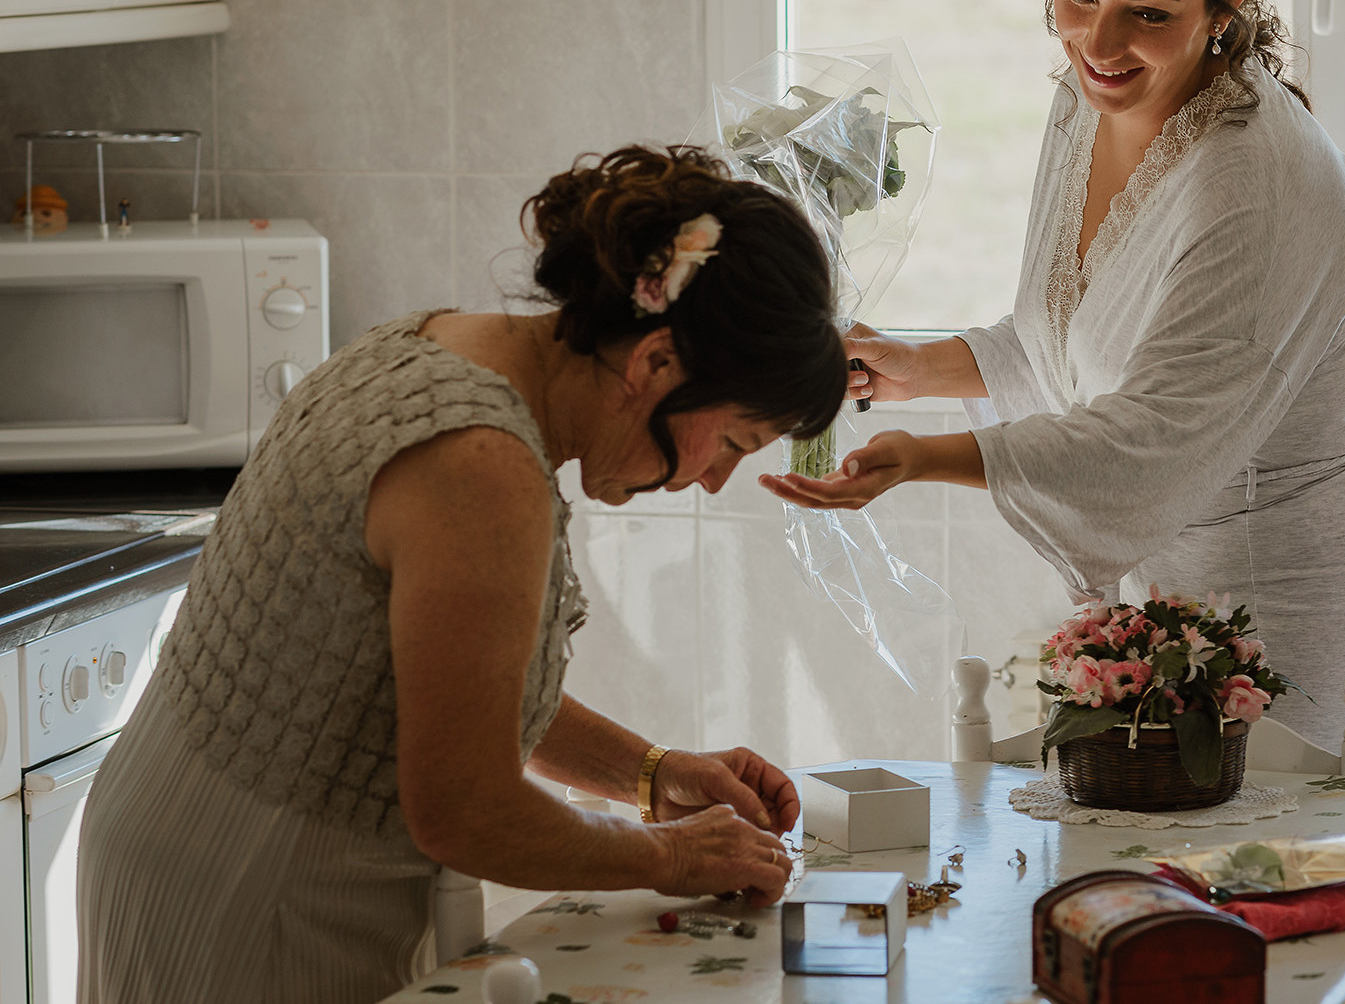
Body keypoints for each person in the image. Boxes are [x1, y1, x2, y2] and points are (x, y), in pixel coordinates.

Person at [78, 146, 844, 1003]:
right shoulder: (481, 467)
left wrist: (651, 773)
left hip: (181, 836)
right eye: (734, 442)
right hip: (256, 895)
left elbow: (447, 680)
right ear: (655, 364)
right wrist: (669, 857)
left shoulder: (440, 342)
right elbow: (464, 808)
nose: (713, 479)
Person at [763, 0, 1345, 752]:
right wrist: (918, 367)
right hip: (1169, 592)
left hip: (1294, 599)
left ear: (1225, 6)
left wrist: (925, 457)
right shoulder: (1094, 103)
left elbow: (1153, 434)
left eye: (1149, 13)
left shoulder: (1254, 184)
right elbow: (1064, 344)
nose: (1099, 45)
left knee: (1256, 887)